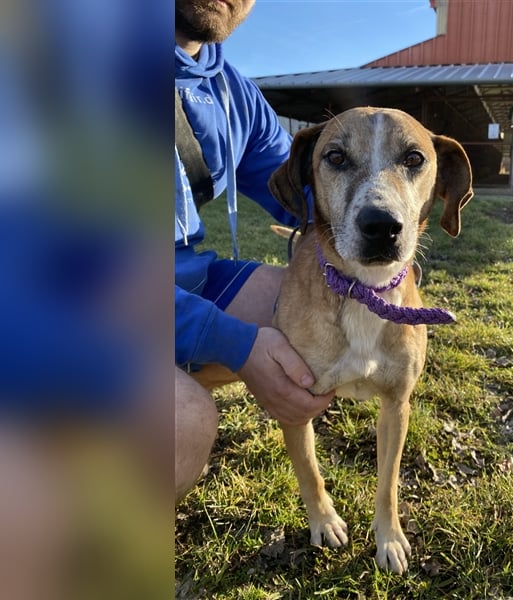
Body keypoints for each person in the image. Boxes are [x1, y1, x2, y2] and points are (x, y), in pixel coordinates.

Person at [174, 0, 333, 501]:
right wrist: (235, 344)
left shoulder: (231, 91)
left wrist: (374, 223)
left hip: (182, 275)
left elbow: (298, 192)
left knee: (310, 306)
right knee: (183, 425)